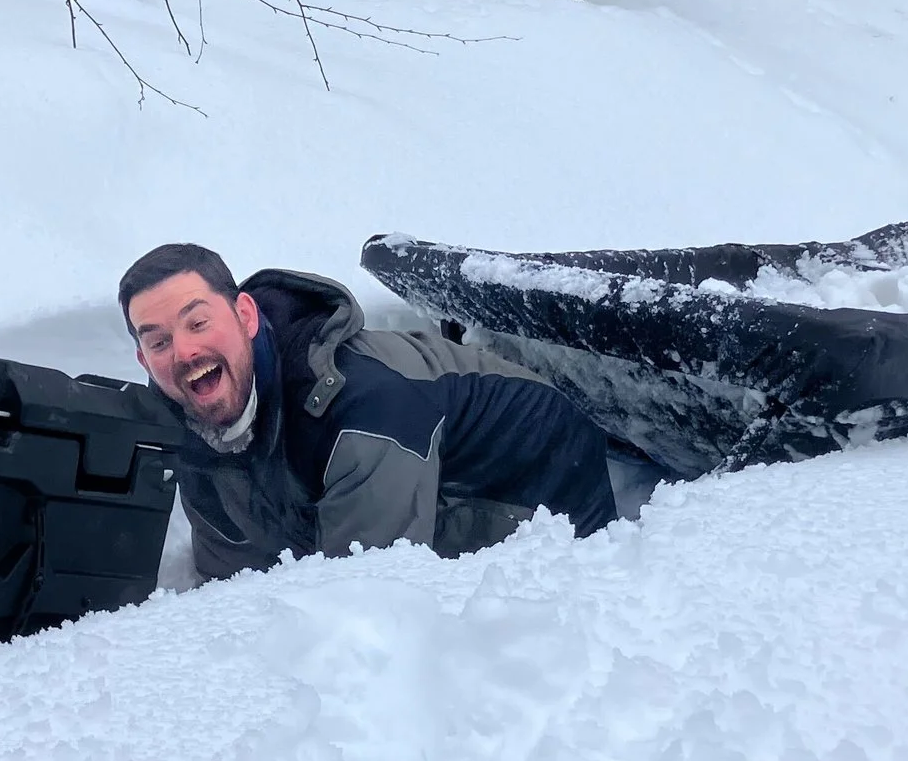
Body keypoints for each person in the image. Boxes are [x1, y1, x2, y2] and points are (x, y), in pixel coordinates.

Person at [120, 242, 619, 581]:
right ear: (145, 360)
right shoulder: (188, 424)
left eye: (198, 323)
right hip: (399, 491)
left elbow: (368, 603)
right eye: (159, 341)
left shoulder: (363, 412)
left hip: (538, 485)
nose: (183, 352)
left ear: (245, 316)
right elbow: (226, 578)